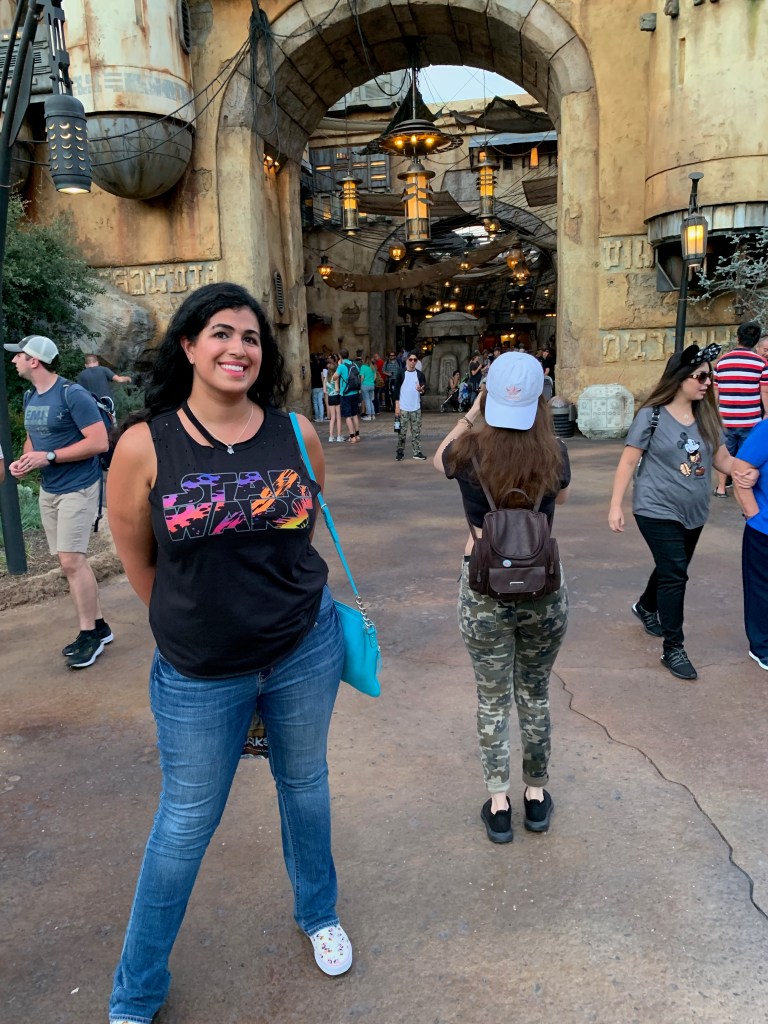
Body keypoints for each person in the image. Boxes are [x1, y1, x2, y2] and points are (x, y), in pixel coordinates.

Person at [105, 282, 351, 1024]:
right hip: (200, 672)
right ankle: (136, 990)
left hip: (303, 648)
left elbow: (298, 535)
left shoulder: (296, 433)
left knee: (304, 784)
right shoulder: (145, 444)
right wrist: (195, 623)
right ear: (188, 345)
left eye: (250, 337)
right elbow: (137, 557)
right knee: (184, 824)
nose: (237, 348)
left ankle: (318, 912)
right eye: (220, 333)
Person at [433, 352, 570, 842]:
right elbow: (559, 499)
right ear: (540, 400)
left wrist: (475, 409)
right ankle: (535, 796)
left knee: (492, 697)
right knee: (535, 693)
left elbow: (438, 458)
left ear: (489, 395)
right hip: (543, 587)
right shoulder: (555, 452)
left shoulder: (467, 450)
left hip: (483, 585)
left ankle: (498, 803)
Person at [608, 343, 754, 681]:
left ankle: (646, 606)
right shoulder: (652, 415)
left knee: (673, 567)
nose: (707, 383)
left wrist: (743, 471)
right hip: (655, 507)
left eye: (709, 377)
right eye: (700, 377)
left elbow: (722, 459)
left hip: (695, 510)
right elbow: (628, 461)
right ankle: (673, 648)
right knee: (675, 574)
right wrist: (616, 505)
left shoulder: (707, 416)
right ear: (680, 378)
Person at [6, 334, 111, 668]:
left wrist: (49, 457)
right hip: (50, 489)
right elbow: (32, 439)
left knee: (71, 561)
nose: (14, 360)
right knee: (70, 562)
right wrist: (26, 461)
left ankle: (89, 636)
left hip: (79, 486)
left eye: (19, 355)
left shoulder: (72, 394)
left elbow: (99, 442)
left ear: (34, 361)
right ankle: (100, 627)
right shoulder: (30, 396)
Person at [712, 322, 768, 496]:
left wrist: (713, 413)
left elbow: (715, 392)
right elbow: (765, 391)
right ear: (756, 341)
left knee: (724, 453)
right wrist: (767, 413)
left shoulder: (721, 362)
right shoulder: (761, 363)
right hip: (750, 420)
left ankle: (721, 488)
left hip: (725, 418)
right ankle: (742, 490)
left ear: (737, 338)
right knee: (747, 457)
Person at [731, 422, 768, 670]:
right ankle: (762, 646)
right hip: (764, 528)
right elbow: (740, 469)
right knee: (762, 589)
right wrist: (753, 514)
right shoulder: (766, 431)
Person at [393, 350, 427, 462]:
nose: (412, 362)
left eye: (415, 360)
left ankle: (417, 452)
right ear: (407, 360)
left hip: (416, 408)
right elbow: (396, 391)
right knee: (402, 432)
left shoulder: (420, 375)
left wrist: (421, 390)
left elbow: (424, 389)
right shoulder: (401, 374)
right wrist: (397, 406)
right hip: (403, 408)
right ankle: (400, 451)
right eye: (410, 359)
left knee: (416, 432)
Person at [333, 347, 361, 443]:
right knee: (355, 414)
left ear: (340, 356)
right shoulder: (354, 364)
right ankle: (357, 435)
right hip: (355, 392)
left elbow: (334, 377)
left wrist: (338, 366)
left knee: (348, 416)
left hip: (345, 394)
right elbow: (358, 375)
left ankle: (352, 437)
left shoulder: (341, 366)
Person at [325, 353, 344, 442]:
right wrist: (340, 391)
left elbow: (325, 390)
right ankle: (339, 436)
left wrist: (330, 392)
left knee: (332, 418)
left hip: (330, 398)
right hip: (336, 397)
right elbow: (337, 389)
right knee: (338, 417)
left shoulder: (326, 379)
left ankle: (331, 436)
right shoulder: (335, 378)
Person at [309, 353, 325, 422]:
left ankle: (317, 417)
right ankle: (321, 417)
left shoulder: (311, 366)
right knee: (320, 402)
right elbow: (322, 375)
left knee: (315, 402)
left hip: (314, 386)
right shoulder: (320, 366)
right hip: (320, 385)